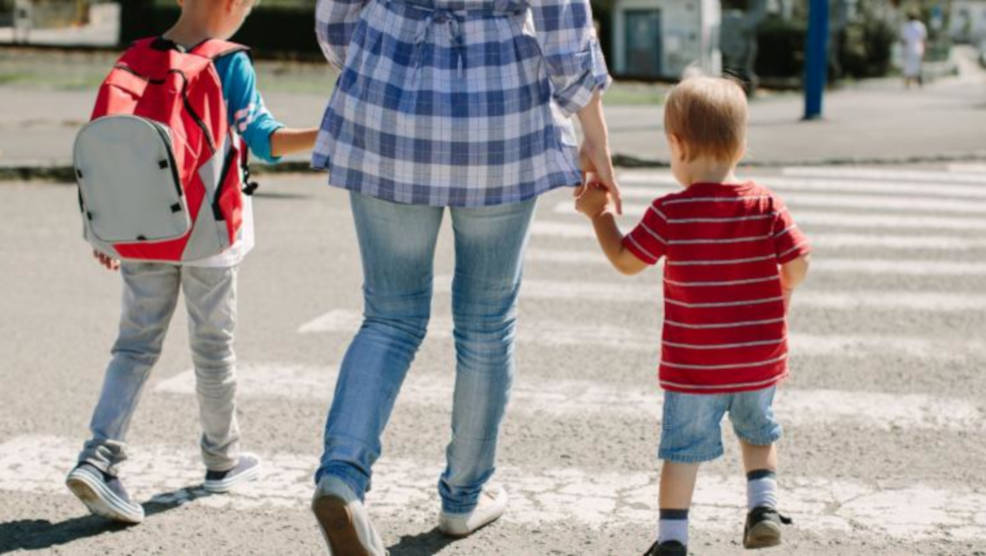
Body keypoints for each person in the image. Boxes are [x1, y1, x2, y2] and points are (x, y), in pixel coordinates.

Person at [311, 0, 617, 552]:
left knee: (388, 318)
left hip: (388, 98)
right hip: (497, 107)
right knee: (486, 323)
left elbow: (336, 16)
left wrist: (381, 58)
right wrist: (592, 132)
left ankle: (342, 478)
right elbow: (561, 19)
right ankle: (463, 498)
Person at [64, 0, 318, 525]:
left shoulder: (134, 60)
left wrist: (108, 233)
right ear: (230, 4)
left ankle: (99, 457)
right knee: (212, 348)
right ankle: (222, 459)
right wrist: (331, 132)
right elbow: (265, 142)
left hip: (142, 231)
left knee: (133, 347)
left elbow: (110, 153)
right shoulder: (228, 62)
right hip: (208, 234)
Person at [574, 75, 811, 555]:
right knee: (758, 432)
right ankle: (762, 507)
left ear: (677, 146)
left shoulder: (671, 212)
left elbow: (625, 261)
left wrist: (598, 214)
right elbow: (800, 262)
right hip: (757, 360)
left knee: (681, 452)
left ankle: (672, 540)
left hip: (694, 366)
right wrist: (784, 288)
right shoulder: (766, 204)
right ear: (740, 145)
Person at [901, 9, 927, 88]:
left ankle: (908, 82)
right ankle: (919, 82)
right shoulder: (920, 26)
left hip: (909, 49)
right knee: (917, 66)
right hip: (918, 48)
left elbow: (904, 40)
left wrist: (903, 51)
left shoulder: (906, 26)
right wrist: (924, 50)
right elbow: (923, 39)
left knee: (908, 67)